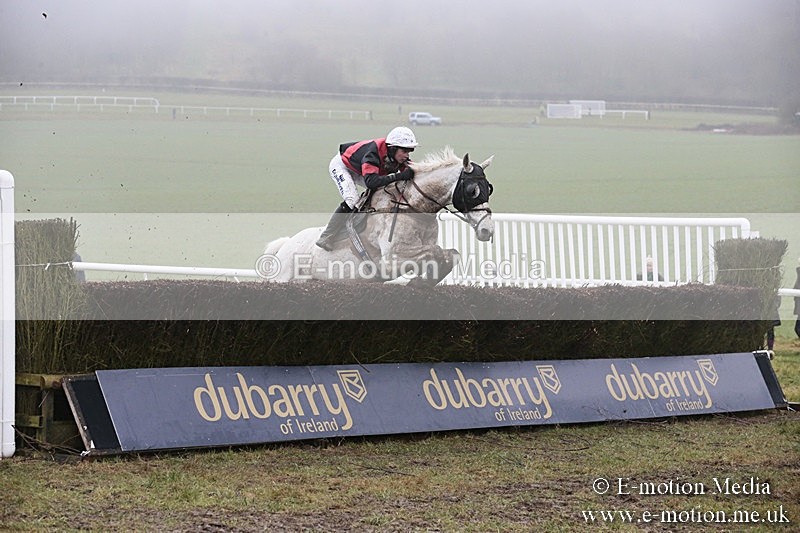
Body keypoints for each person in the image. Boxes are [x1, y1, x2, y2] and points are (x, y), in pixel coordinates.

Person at [315, 126, 418, 251]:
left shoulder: (397, 155)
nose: (407, 156)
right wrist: (399, 176)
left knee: (387, 191)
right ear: (393, 148)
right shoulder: (373, 153)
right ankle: (327, 236)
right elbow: (372, 182)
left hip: (362, 169)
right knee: (352, 200)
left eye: (409, 151)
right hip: (343, 166)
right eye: (405, 151)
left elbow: (412, 171)